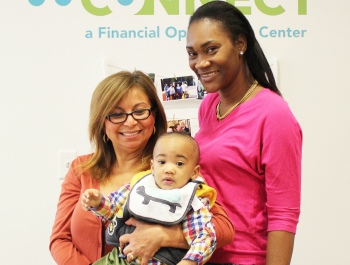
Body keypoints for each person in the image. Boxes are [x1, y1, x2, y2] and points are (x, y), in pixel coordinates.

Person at [50, 70, 234, 265]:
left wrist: (163, 236)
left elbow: (224, 229)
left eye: (139, 111)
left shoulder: (170, 171)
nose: (130, 121)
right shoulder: (81, 169)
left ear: (153, 116)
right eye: (117, 114)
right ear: (102, 122)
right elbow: (60, 240)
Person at [186, 2, 302, 265]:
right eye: (192, 53)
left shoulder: (274, 114)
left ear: (240, 44)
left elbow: (283, 213)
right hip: (202, 253)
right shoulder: (210, 105)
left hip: (245, 258)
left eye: (211, 49)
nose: (200, 63)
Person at [82, 132, 217, 265]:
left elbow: (205, 236)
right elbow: (111, 209)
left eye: (179, 163)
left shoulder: (193, 200)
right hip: (119, 258)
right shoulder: (140, 185)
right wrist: (97, 202)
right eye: (162, 162)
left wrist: (189, 262)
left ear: (194, 172)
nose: (169, 169)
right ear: (152, 166)